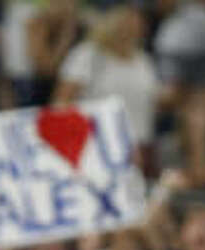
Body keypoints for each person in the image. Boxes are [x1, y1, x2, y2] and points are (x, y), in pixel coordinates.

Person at [54, 5, 163, 158]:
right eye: (129, 18)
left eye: (140, 20)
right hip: (95, 146)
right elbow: (62, 103)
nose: (135, 24)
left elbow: (153, 103)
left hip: (138, 146)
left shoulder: (144, 61)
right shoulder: (87, 55)